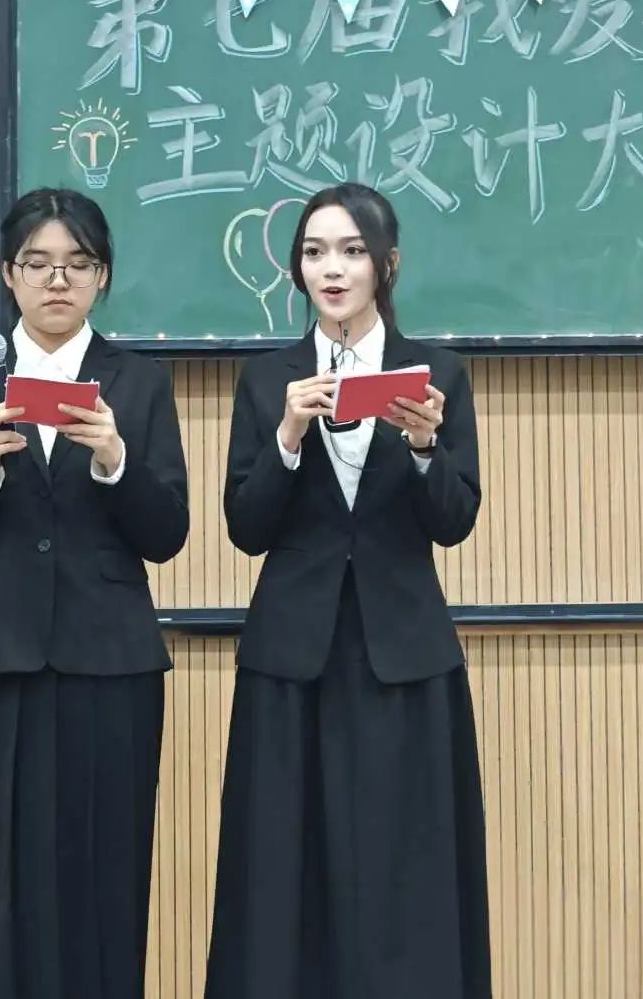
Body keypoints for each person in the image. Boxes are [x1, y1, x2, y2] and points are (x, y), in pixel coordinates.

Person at [0, 186, 189, 999]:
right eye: (38, 264)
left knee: (100, 870)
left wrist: (116, 462)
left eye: (77, 264)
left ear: (103, 276)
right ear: (8, 274)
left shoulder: (139, 384)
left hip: (108, 664)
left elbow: (167, 534)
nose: (58, 281)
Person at [205, 182, 491, 999]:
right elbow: (247, 526)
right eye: (314, 253)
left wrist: (428, 447)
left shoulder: (437, 374)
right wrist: (288, 435)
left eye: (352, 252)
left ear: (386, 265)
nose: (332, 270)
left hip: (403, 653)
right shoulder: (269, 379)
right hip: (292, 656)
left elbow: (455, 523)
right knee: (281, 865)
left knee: (405, 864)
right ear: (296, 269)